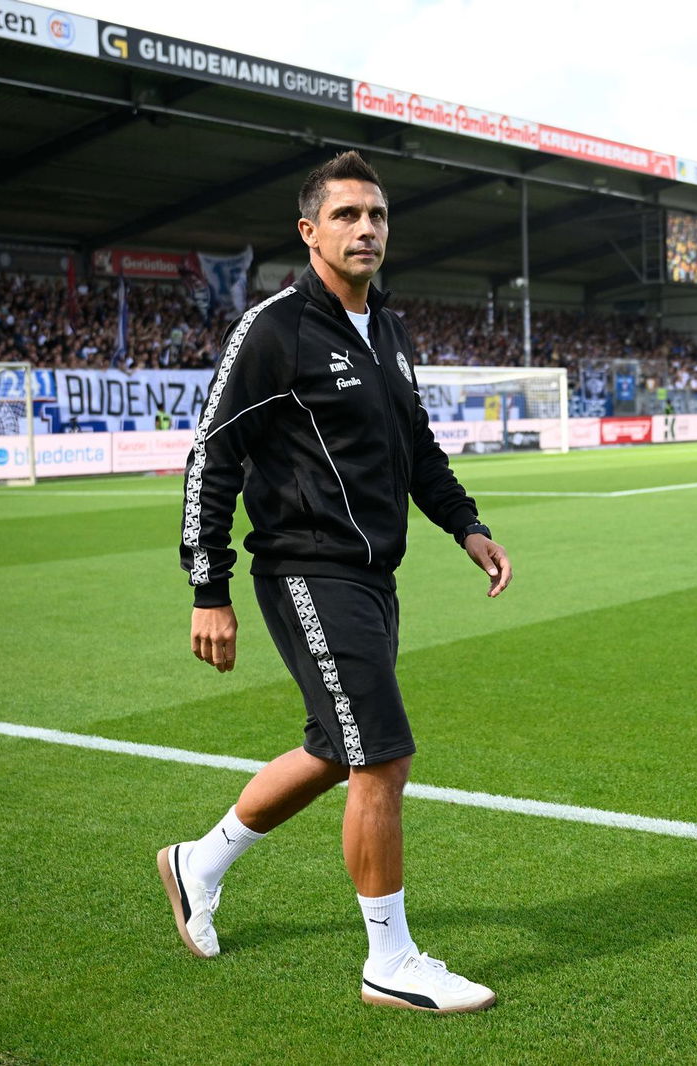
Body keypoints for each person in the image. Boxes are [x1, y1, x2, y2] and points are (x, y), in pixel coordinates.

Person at [164, 151, 512, 1014]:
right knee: (383, 759)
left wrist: (466, 525)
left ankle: (195, 863)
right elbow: (213, 454)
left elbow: (416, 450)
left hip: (372, 576)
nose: (367, 229)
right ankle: (389, 962)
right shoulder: (275, 328)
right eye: (349, 215)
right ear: (309, 230)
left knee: (336, 750)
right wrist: (211, 588)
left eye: (379, 216)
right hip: (306, 570)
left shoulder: (387, 330)